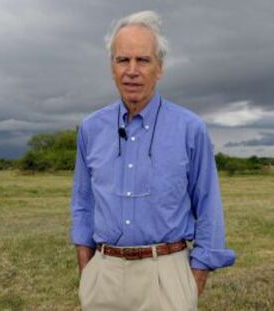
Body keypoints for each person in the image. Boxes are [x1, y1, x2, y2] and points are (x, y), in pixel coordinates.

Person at [70, 10, 235, 311]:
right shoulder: (91, 129)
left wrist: (194, 277)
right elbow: (83, 201)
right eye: (123, 60)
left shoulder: (190, 129)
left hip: (167, 275)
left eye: (143, 60)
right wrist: (88, 270)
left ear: (159, 68)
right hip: (104, 276)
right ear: (112, 67)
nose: (132, 70)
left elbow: (208, 205)